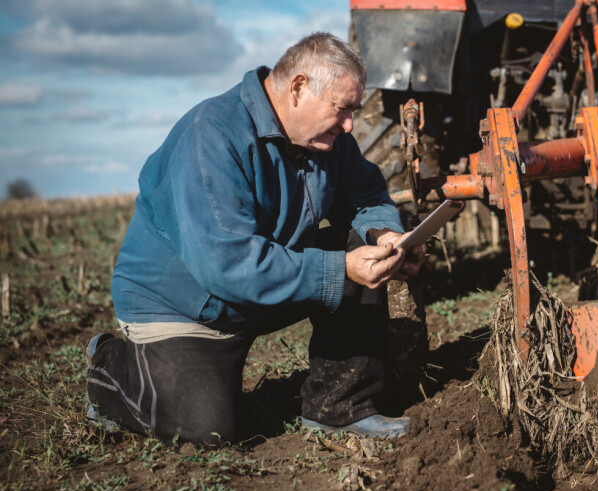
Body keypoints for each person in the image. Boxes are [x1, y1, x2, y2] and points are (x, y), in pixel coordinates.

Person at [85, 32, 424, 446]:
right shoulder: (210, 135)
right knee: (208, 429)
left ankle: (340, 407)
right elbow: (227, 264)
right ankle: (110, 368)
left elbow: (366, 195)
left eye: (354, 110)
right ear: (298, 87)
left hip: (257, 286)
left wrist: (384, 233)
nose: (350, 124)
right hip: (184, 307)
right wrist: (339, 269)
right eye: (342, 108)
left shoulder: (326, 139)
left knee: (357, 246)